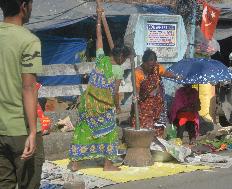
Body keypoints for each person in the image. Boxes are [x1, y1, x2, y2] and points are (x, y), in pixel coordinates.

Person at [69, 8, 131, 172]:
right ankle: (108, 165)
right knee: (109, 133)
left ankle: (75, 163)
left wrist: (98, 21)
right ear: (120, 57)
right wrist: (117, 107)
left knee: (83, 130)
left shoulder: (100, 59)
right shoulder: (117, 70)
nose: (123, 61)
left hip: (88, 104)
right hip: (104, 107)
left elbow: (99, 39)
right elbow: (115, 92)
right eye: (124, 58)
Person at [0, 0, 45, 188]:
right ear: (23, 6)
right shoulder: (29, 40)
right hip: (21, 130)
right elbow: (28, 87)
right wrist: (33, 132)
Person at [132, 49, 178, 137]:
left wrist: (176, 76)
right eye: (149, 65)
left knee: (157, 123)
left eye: (152, 65)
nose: (151, 68)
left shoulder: (157, 68)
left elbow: (165, 73)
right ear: (144, 62)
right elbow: (136, 88)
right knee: (144, 122)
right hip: (144, 102)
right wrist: (136, 96)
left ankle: (156, 141)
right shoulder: (137, 73)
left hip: (157, 102)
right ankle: (143, 140)